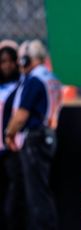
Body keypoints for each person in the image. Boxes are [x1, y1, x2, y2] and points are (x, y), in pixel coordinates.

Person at [5, 40, 62, 230]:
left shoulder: (34, 79)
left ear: (26, 58)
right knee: (42, 189)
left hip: (34, 138)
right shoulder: (51, 78)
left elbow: (21, 115)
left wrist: (9, 133)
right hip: (48, 135)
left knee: (35, 194)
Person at [0, 41, 20, 230]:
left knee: (13, 198)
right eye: (2, 61)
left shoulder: (22, 84)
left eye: (9, 61)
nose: (6, 65)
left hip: (12, 149)